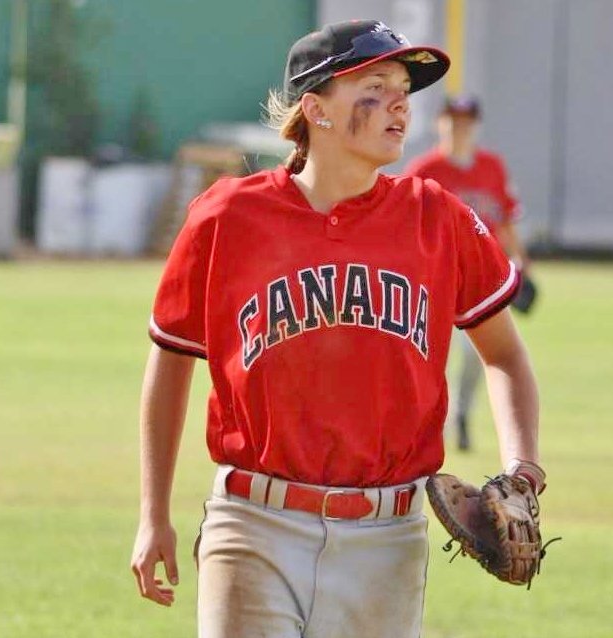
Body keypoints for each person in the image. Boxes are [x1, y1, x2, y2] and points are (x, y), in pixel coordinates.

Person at [131, 20, 545, 638]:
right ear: (316, 109)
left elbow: (506, 355)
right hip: (254, 523)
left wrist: (523, 466)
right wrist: (153, 513)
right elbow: (171, 360)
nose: (400, 103)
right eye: (374, 86)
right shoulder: (228, 217)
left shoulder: (437, 218)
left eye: (404, 88)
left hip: (388, 535)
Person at [403, 96, 532, 451]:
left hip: (481, 279)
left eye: (466, 121)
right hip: (434, 279)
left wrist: (524, 267)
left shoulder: (492, 167)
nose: (460, 127)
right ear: (440, 124)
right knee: (427, 355)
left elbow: (505, 221)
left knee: (482, 352)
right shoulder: (424, 169)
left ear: (476, 125)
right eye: (453, 120)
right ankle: (426, 423)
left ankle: (460, 412)